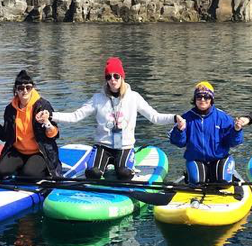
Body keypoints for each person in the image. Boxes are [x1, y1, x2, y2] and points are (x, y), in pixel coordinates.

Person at [51, 57, 181, 180]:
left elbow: (154, 117)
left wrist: (174, 118)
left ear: (122, 77)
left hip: (124, 147)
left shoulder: (134, 97)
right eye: (109, 77)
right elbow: (75, 116)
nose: (112, 80)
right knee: (93, 173)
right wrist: (51, 116)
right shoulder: (97, 99)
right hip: (103, 146)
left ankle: (128, 164)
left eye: (116, 76)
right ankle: (97, 164)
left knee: (124, 174)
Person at [0, 70, 61, 180]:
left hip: (40, 152)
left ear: (33, 89)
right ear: (16, 90)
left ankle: (45, 171)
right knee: (0, 173)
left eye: (28, 87)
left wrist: (47, 123)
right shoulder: (10, 109)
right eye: (21, 88)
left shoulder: (43, 106)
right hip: (18, 152)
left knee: (28, 176)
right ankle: (24, 167)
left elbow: (54, 135)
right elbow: (5, 137)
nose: (24, 91)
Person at [170, 81, 244, 183]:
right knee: (197, 182)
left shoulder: (223, 117)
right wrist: (179, 130)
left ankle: (226, 177)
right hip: (196, 159)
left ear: (211, 99)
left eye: (206, 97)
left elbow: (233, 143)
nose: (202, 100)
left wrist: (236, 130)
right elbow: (178, 143)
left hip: (219, 158)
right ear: (195, 99)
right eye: (199, 97)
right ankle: (192, 176)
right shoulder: (185, 118)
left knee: (223, 181)